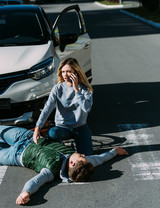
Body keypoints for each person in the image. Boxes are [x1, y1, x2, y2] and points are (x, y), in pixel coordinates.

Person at [0, 125, 128, 205]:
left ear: (72, 163)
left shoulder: (51, 171)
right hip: (26, 137)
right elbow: (100, 159)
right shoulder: (83, 163)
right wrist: (115, 151)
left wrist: (25, 193)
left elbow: (36, 182)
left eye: (82, 157)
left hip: (16, 155)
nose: (83, 155)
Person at [33, 57, 94, 155]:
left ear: (76, 72)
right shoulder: (57, 89)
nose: (65, 74)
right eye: (63, 71)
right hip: (63, 128)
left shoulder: (84, 89)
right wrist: (37, 127)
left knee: (87, 157)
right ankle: (60, 149)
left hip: (80, 127)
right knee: (52, 133)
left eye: (69, 71)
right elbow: (47, 109)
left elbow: (86, 108)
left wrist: (76, 90)